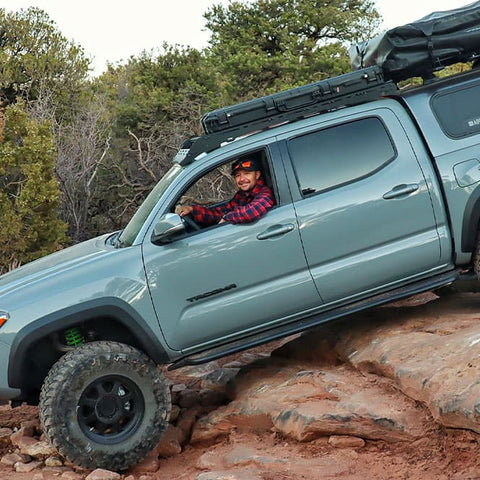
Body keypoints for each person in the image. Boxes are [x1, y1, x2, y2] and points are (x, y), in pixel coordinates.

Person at [175, 158, 275, 226]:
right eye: (237, 175)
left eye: (247, 174)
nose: (242, 179)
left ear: (257, 175)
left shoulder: (265, 193)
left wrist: (227, 218)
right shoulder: (241, 196)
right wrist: (192, 210)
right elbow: (219, 213)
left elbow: (250, 212)